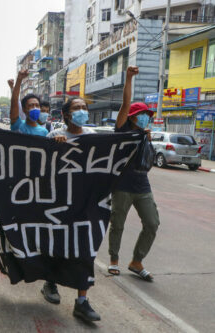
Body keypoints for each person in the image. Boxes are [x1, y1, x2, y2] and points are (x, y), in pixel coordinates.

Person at [45, 97, 100, 322]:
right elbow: (41, 168)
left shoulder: (93, 138)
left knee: (85, 249)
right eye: (77, 108)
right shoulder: (53, 136)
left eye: (84, 108)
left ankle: (81, 302)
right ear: (66, 114)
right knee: (57, 245)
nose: (82, 111)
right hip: (59, 201)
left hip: (85, 203)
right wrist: (54, 148)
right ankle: (50, 282)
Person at [108, 66, 160, 282]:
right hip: (121, 186)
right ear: (131, 117)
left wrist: (146, 139)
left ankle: (136, 261)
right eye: (141, 116)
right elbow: (125, 105)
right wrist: (128, 78)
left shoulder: (144, 135)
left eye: (148, 115)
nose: (145, 118)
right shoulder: (122, 131)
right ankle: (114, 260)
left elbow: (147, 162)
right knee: (117, 223)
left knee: (152, 223)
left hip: (142, 186)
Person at [9, 69, 48, 137]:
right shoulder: (18, 125)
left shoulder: (44, 132)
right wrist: (19, 79)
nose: (35, 108)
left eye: (37, 105)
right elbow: (14, 102)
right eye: (31, 105)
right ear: (23, 109)